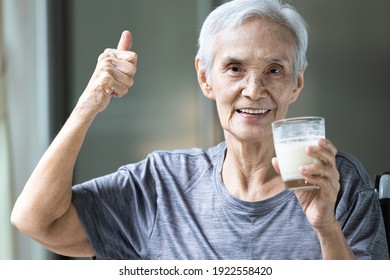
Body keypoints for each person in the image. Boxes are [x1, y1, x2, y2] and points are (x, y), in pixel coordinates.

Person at [11, 0, 388, 260]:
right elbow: (37, 221)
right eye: (234, 68)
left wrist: (325, 227)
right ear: (205, 79)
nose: (254, 90)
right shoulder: (162, 184)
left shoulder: (336, 181)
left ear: (297, 83)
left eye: (274, 70)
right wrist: (89, 104)